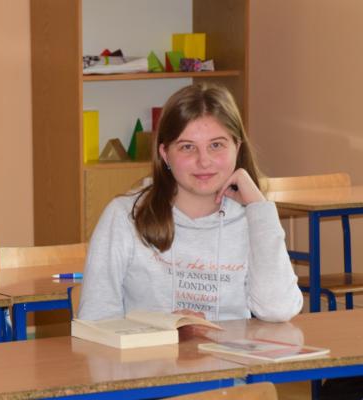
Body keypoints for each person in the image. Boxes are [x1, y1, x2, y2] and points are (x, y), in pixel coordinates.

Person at [78, 83, 303, 325]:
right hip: (150, 350)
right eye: (187, 147)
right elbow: (96, 318)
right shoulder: (126, 216)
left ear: (237, 148)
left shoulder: (254, 218)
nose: (203, 161)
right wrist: (161, 330)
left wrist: (259, 208)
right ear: (165, 154)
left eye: (216, 145)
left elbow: (278, 309)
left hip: (229, 350)